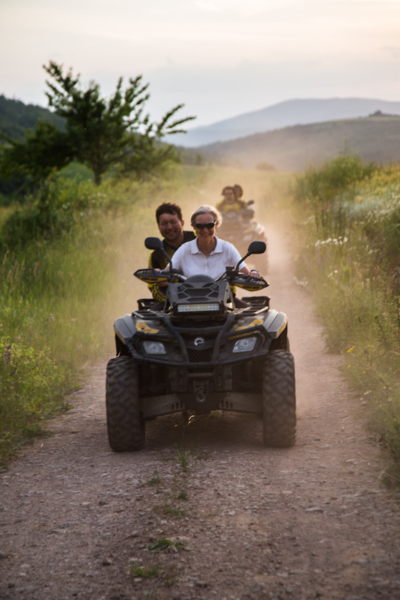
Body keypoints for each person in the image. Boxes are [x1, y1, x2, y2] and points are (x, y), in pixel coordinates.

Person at [169, 205, 260, 307]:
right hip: (187, 304)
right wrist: (157, 273)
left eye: (209, 225)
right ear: (193, 226)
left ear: (216, 225)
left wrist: (253, 273)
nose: (205, 230)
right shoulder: (184, 249)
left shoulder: (227, 248)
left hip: (224, 303)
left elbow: (246, 273)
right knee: (151, 318)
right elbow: (166, 272)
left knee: (256, 319)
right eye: (200, 226)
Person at [148, 202, 195, 301]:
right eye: (164, 223)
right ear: (158, 226)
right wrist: (161, 285)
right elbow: (154, 288)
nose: (169, 227)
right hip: (172, 305)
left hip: (211, 299)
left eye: (173, 222)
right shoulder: (156, 255)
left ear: (182, 223)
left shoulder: (199, 240)